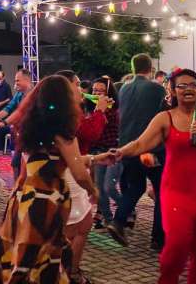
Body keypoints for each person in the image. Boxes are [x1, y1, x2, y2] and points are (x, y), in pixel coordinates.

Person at [0, 75, 109, 283]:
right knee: (41, 259)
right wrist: (94, 191)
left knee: (20, 251)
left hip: (24, 195)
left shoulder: (31, 129)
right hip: (46, 200)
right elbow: (78, 173)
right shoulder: (63, 134)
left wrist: (96, 158)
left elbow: (54, 160)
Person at [113, 68, 196, 284]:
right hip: (177, 192)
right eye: (182, 86)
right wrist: (118, 153)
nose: (188, 89)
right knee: (177, 245)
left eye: (193, 85)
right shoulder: (164, 118)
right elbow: (140, 144)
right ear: (173, 90)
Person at [56, 70, 113, 284]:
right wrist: (99, 112)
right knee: (76, 227)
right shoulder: (66, 115)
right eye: (77, 84)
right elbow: (89, 134)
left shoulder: (59, 112)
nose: (82, 89)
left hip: (66, 172)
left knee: (81, 225)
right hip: (70, 176)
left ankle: (66, 270)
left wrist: (94, 158)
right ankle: (68, 272)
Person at [108, 54, 166, 250]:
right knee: (160, 190)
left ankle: (118, 221)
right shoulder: (157, 89)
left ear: (133, 68)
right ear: (150, 68)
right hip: (149, 150)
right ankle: (158, 238)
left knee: (136, 186)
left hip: (128, 148)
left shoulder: (124, 88)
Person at [89, 77, 121, 229]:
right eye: (94, 90)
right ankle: (108, 219)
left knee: (109, 187)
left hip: (114, 152)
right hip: (98, 152)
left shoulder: (112, 109)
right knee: (99, 189)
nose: (96, 94)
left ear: (109, 93)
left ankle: (128, 208)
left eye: (101, 91)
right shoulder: (92, 109)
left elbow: (101, 123)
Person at [0, 69, 33, 179]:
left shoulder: (34, 95)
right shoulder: (19, 94)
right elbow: (8, 109)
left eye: (17, 80)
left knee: (25, 167)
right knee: (15, 164)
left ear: (27, 80)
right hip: (20, 134)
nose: (15, 83)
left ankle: (21, 187)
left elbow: (19, 113)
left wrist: (3, 123)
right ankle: (17, 187)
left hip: (32, 136)